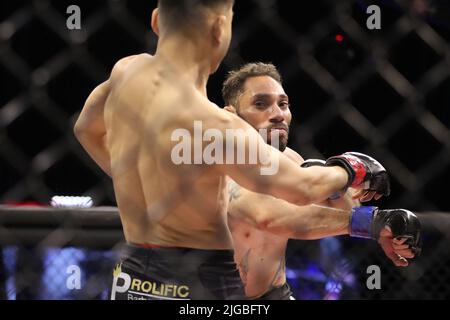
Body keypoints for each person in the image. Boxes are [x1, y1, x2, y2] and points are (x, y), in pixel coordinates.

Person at [74, 1, 391, 300]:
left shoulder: (126, 72)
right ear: (219, 29)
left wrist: (135, 174)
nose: (277, 113)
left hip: (132, 274)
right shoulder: (216, 127)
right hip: (200, 280)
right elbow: (301, 189)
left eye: (283, 104)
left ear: (156, 21)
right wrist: (352, 168)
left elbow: (85, 129)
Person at [221, 62, 422, 300]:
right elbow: (269, 216)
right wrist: (371, 221)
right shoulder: (215, 161)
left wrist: (384, 228)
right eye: (261, 104)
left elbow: (345, 209)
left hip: (274, 294)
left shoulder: (290, 161)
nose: (278, 115)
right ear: (231, 115)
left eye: (283, 104)